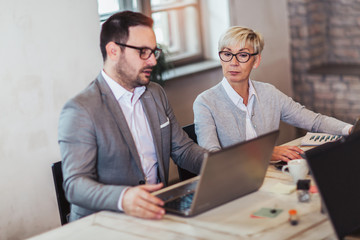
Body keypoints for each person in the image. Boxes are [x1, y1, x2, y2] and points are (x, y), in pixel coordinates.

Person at [58, 11, 206, 222]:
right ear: (113, 51)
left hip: (155, 213)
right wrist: (124, 197)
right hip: (103, 224)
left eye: (154, 51)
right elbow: (75, 185)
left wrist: (224, 164)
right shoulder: (80, 109)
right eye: (143, 52)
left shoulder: (155, 93)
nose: (153, 61)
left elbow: (182, 149)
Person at [193, 26, 353, 162]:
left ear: (255, 61)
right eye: (227, 54)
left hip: (268, 175)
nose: (233, 63)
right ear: (221, 58)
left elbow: (314, 122)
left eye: (243, 55)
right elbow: (212, 158)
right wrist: (265, 153)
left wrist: (349, 130)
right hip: (232, 185)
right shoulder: (205, 102)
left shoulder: (269, 93)